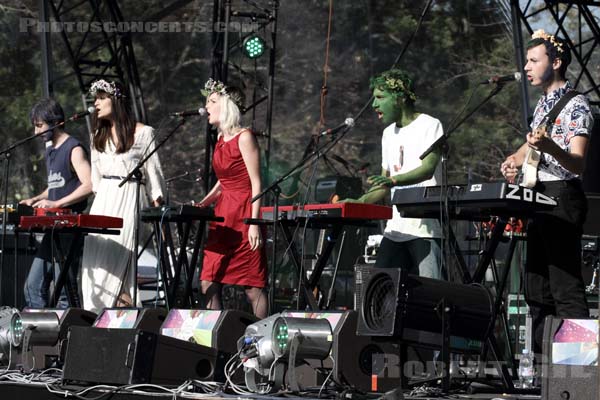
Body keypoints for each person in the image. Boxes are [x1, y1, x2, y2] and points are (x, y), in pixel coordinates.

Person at [500, 30, 592, 356]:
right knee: (536, 289)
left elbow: (578, 163)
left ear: (555, 63)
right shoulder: (543, 104)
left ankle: (579, 372)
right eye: (526, 60)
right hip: (538, 196)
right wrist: (513, 160)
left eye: (533, 60)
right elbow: (531, 145)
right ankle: (544, 369)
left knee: (565, 286)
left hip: (562, 196)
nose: (526, 66)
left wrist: (550, 145)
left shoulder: (577, 105)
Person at [341, 69, 443, 279]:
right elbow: (383, 184)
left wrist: (393, 180)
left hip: (425, 228)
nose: (374, 105)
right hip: (395, 228)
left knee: (431, 292)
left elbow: (428, 168)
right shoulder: (388, 133)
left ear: (400, 98)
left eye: (380, 97)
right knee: (380, 290)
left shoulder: (430, 124)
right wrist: (359, 201)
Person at [81, 79, 165, 313]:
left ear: (116, 100)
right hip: (104, 200)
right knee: (96, 265)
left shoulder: (144, 133)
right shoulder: (97, 135)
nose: (96, 103)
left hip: (129, 197)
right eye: (94, 98)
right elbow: (96, 182)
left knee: (121, 267)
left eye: (101, 97)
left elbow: (155, 177)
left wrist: (161, 213)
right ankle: (96, 318)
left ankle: (122, 322)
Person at [195, 78, 267, 318]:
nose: (206, 108)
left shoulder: (245, 137)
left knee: (252, 287)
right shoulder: (219, 140)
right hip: (223, 216)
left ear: (226, 106)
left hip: (244, 214)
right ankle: (214, 339)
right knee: (208, 280)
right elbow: (222, 182)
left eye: (212, 102)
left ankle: (261, 340)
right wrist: (203, 203)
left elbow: (256, 181)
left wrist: (254, 224)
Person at [21, 98, 93, 308]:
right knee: (32, 287)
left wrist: (58, 203)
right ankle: (42, 336)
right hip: (54, 228)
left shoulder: (74, 148)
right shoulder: (51, 150)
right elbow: (55, 184)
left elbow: (89, 184)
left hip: (70, 228)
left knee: (65, 292)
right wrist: (36, 198)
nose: (36, 132)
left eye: (39, 125)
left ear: (56, 122)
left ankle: (67, 337)